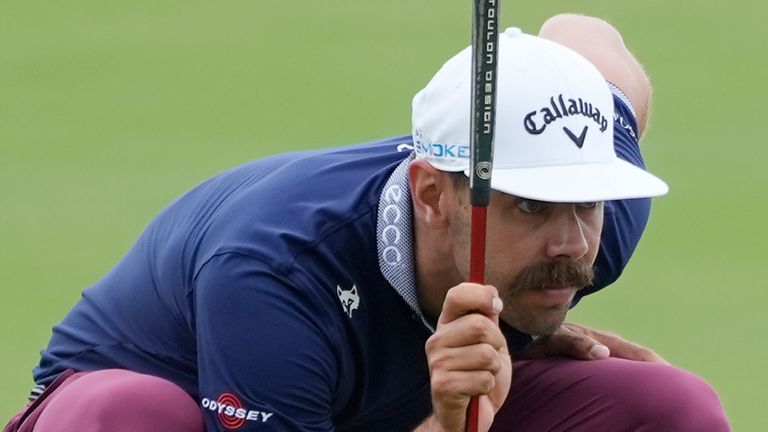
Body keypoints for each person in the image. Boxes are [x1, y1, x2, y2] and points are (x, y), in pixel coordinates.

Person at [4, 14, 729, 432]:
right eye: (531, 205)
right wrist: (446, 426)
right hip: (187, 407)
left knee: (668, 407)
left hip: (395, 407)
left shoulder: (587, 213)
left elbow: (585, 32)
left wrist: (525, 336)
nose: (571, 242)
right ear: (432, 195)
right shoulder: (276, 272)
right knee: (128, 411)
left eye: (588, 203)